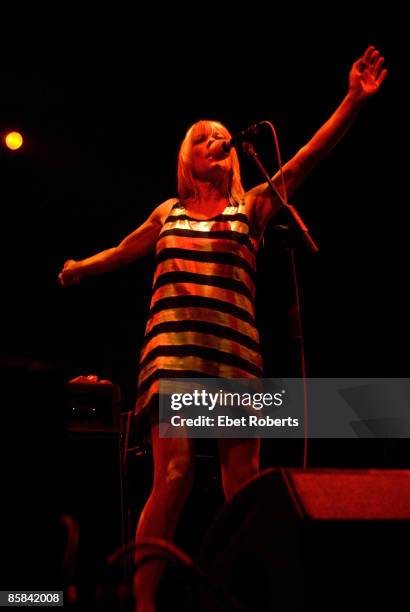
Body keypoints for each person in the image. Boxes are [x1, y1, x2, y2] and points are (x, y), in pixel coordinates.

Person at [58, 46, 387, 612]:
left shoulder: (252, 207)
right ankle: (144, 603)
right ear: (187, 159)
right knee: (177, 474)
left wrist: (352, 101)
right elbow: (122, 250)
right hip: (174, 358)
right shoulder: (170, 213)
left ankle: (244, 596)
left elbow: (308, 155)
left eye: (220, 135)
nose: (217, 139)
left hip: (235, 361)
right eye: (203, 136)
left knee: (245, 486)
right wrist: (79, 270)